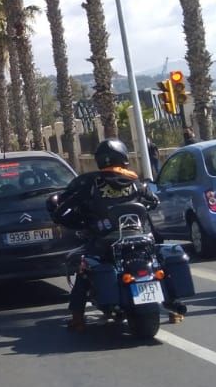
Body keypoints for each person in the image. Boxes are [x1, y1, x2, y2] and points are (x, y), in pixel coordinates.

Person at [52, 138, 186, 330]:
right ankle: (174, 307)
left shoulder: (91, 183)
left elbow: (66, 207)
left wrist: (66, 217)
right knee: (158, 262)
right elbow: (153, 201)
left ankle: (78, 318)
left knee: (85, 269)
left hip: (106, 240)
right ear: (123, 157)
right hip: (141, 237)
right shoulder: (134, 181)